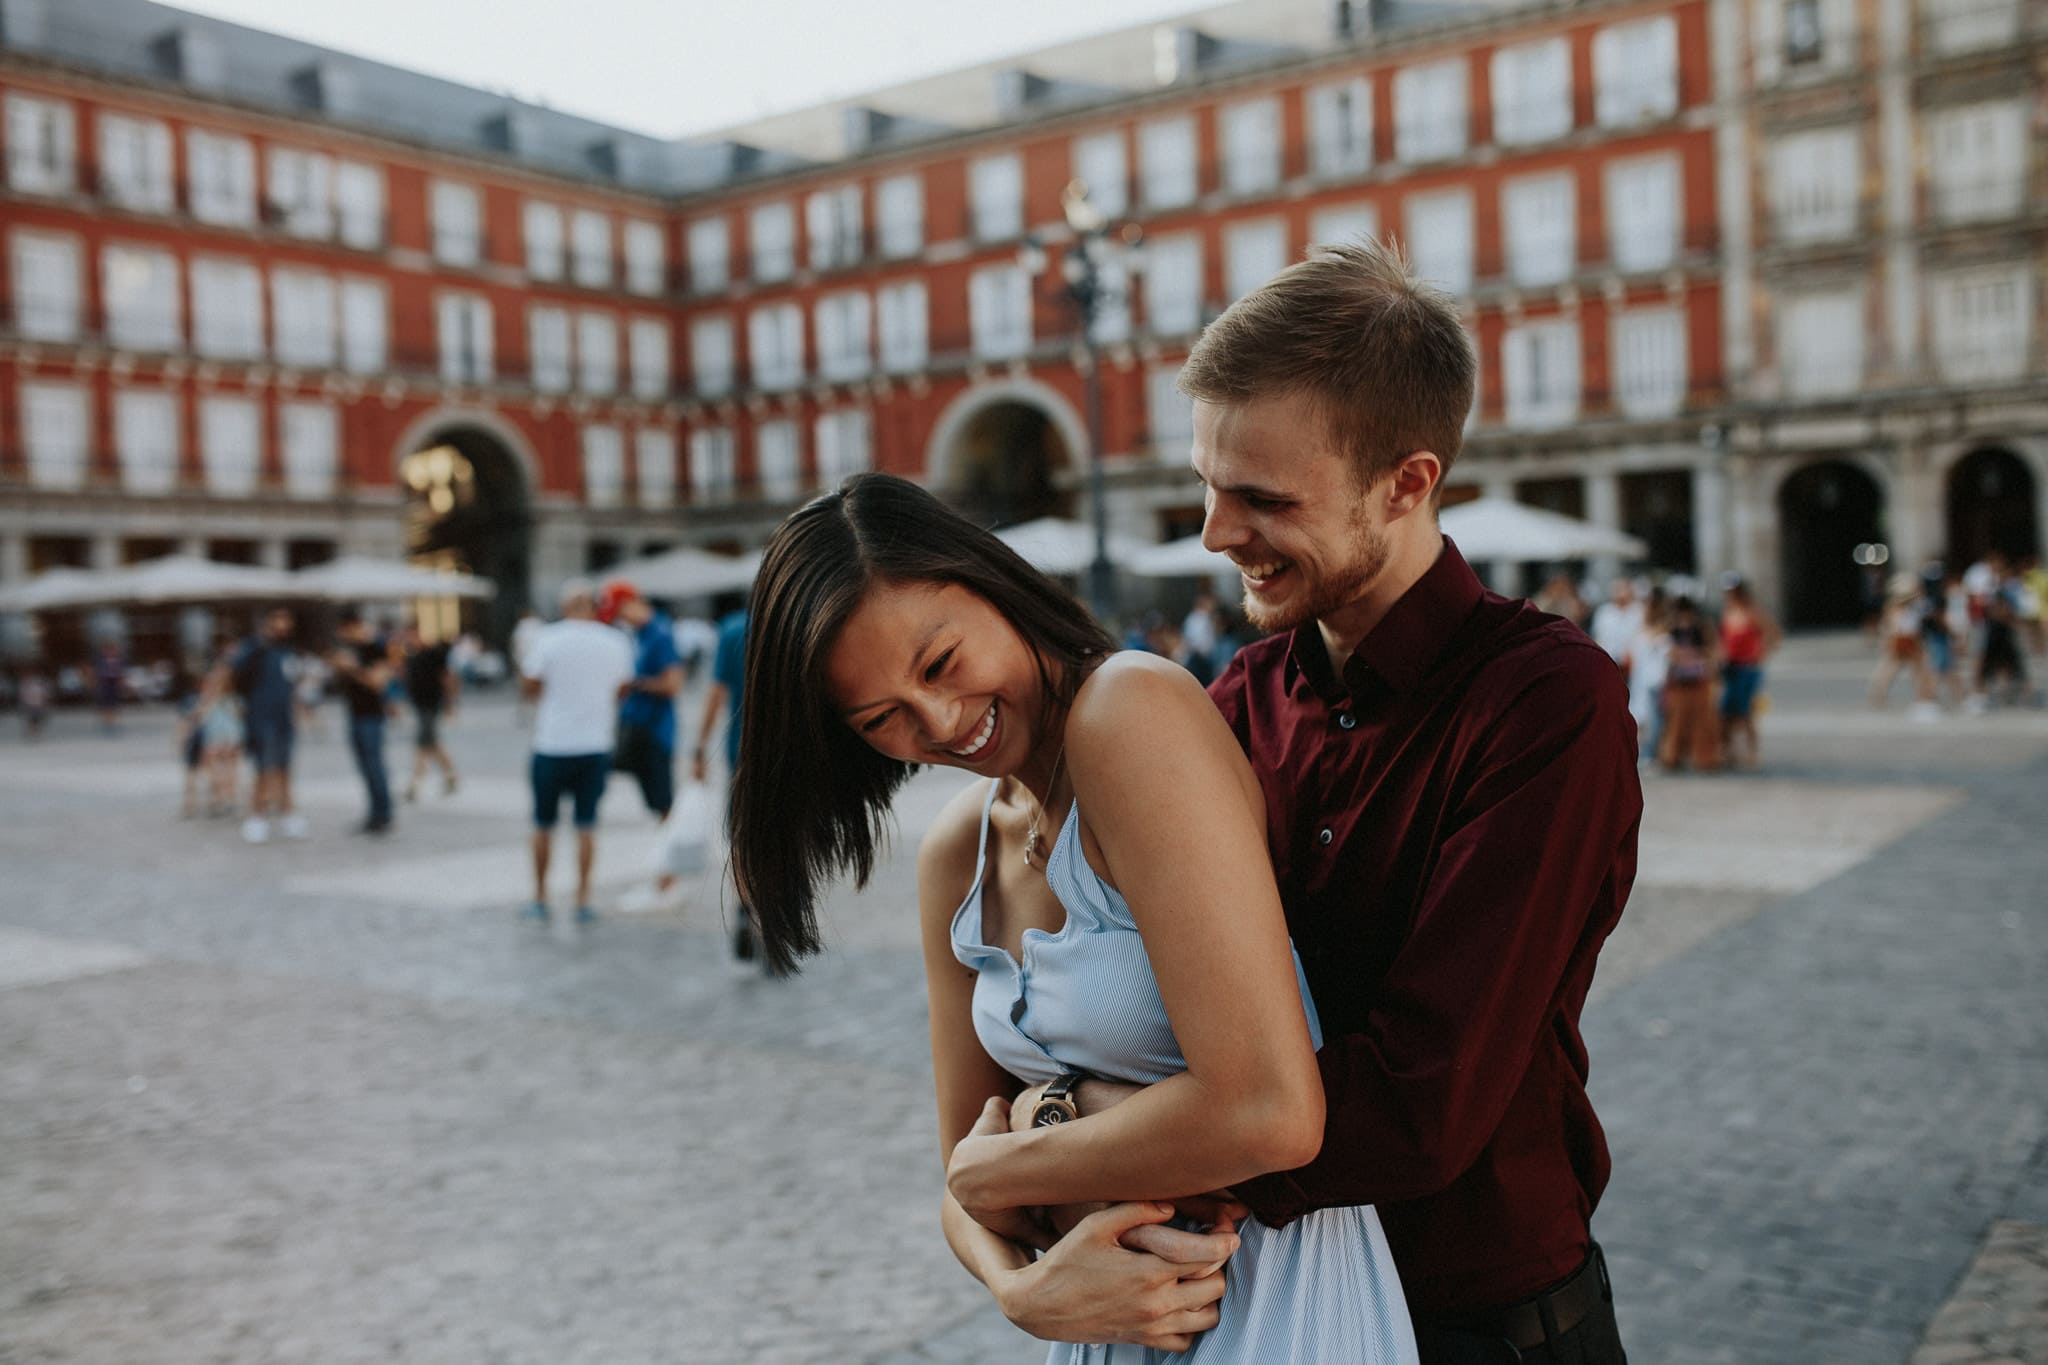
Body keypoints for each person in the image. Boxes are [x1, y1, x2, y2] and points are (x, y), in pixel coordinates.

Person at [993, 238, 1639, 1362]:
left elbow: (1418, 1100)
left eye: (1261, 497)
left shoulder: (1543, 702)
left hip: (1472, 1318)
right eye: (1204, 483)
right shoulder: (1228, 702)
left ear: (1406, 483)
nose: (1212, 532)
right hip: (1252, 1311)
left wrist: (1075, 1128)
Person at [731, 473, 1420, 1364]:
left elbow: (1272, 1114)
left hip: (1273, 1309)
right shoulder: (959, 852)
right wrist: (1019, 1288)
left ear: (987, 581)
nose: (940, 721)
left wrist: (1015, 1153)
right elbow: (964, 1179)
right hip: (1097, 1324)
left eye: (940, 663)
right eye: (881, 718)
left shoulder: (1131, 708)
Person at [521, 580, 636, 925]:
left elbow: (530, 685)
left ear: (564, 608)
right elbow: (624, 687)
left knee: (543, 825)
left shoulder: (547, 638)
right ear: (594, 607)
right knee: (586, 827)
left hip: (552, 744)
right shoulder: (616, 641)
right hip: (594, 745)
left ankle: (541, 896)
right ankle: (583, 898)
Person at [234, 608, 307, 844]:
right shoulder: (254, 648)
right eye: (278, 620)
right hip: (261, 716)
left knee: (284, 766)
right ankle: (257, 815)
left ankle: (288, 812)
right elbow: (236, 676)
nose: (283, 626)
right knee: (264, 768)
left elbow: (293, 681)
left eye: (286, 621)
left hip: (283, 716)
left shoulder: (288, 650)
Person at [330, 612, 395, 835]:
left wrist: (352, 668)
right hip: (355, 716)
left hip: (372, 717)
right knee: (365, 767)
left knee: (375, 766)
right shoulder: (350, 649)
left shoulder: (376, 648)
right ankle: (374, 813)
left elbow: (377, 683)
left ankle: (384, 814)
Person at [1716, 579, 1779, 769]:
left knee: (1745, 712)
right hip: (1730, 666)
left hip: (1748, 667)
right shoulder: (1727, 612)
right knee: (1726, 711)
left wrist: (1760, 654)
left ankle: (1751, 752)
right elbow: (1723, 638)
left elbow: (1772, 633)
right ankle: (1729, 751)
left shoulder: (1752, 612)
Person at [1658, 596, 1720, 770]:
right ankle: (1673, 756)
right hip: (1679, 681)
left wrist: (1695, 657)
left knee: (1702, 721)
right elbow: (1667, 652)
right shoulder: (1671, 629)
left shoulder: (1702, 629)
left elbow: (1712, 651)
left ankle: (1704, 757)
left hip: (1699, 680)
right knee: (1677, 721)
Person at [401, 626, 460, 802]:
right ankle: (450, 776)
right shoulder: (411, 656)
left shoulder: (435, 653)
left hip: (431, 704)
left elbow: (447, 678)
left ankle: (415, 783)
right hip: (420, 705)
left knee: (424, 744)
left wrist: (450, 703)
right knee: (432, 744)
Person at [1869, 574, 1933, 711]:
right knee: (1892, 670)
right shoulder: (1896, 608)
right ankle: (1879, 696)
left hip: (1908, 640)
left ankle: (1924, 697)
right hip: (1902, 641)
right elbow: (1897, 628)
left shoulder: (1910, 607)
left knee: (1916, 671)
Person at [1589, 579, 1645, 682]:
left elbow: (1641, 636)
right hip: (1608, 661)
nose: (1621, 594)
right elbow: (1598, 636)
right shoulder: (1604, 612)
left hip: (1633, 664)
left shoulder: (1638, 611)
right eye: (1618, 590)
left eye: (1624, 589)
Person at [1178, 589, 1223, 685]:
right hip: (1199, 658)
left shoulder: (1199, 618)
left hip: (1204, 658)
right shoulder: (1199, 619)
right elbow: (1196, 641)